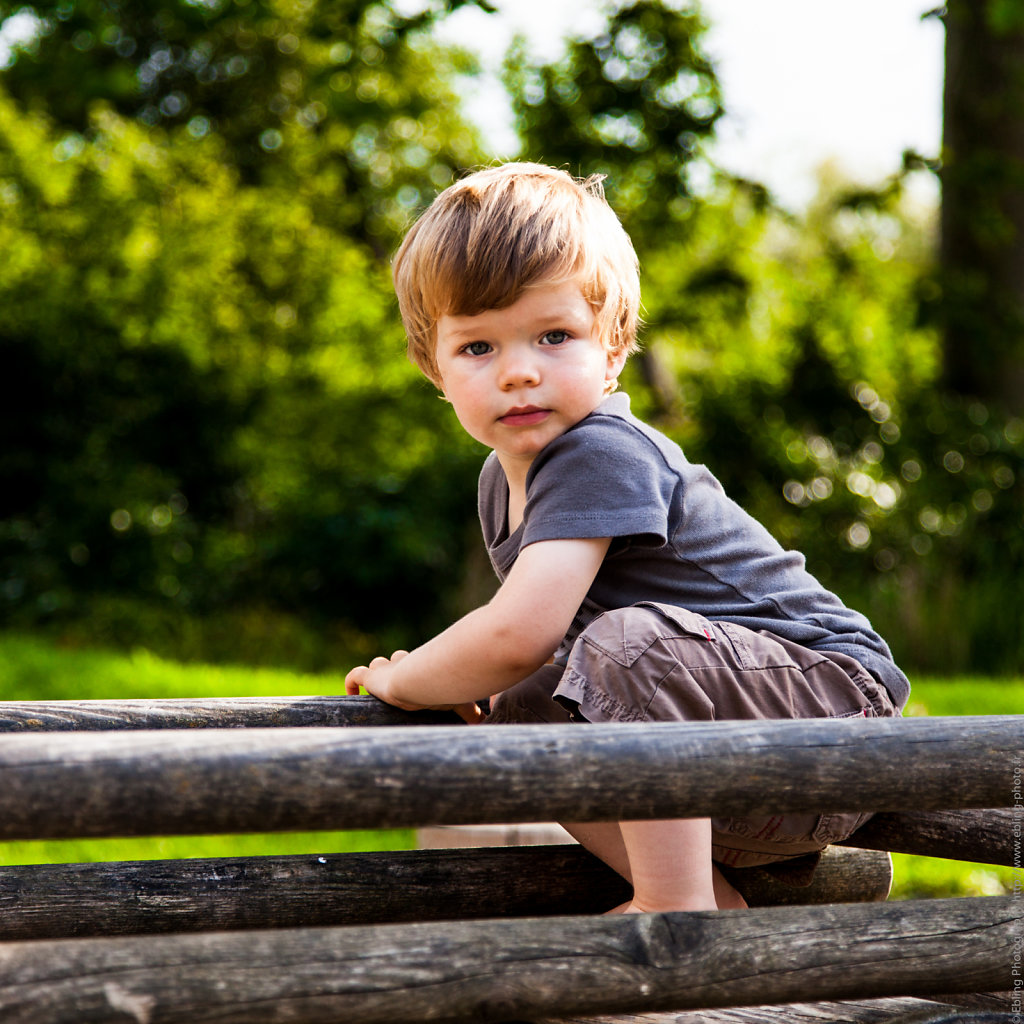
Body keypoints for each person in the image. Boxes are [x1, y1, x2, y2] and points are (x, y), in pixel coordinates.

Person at [344, 161, 909, 915]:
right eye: (478, 348)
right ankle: (703, 895)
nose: (518, 373)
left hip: (835, 727)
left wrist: (406, 678)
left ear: (612, 350)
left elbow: (521, 630)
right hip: (722, 768)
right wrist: (473, 689)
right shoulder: (498, 481)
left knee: (622, 647)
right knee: (526, 704)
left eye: (554, 336)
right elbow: (535, 657)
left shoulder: (600, 450)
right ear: (433, 367)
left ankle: (674, 909)